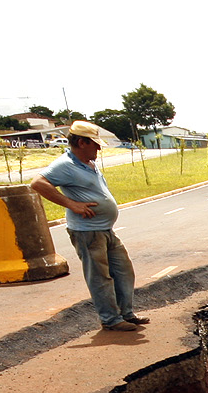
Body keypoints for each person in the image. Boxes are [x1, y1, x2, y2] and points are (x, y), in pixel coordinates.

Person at [30, 120, 147, 333]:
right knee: (100, 276)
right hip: (87, 231)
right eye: (95, 144)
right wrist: (71, 204)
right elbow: (37, 183)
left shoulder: (88, 163)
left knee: (123, 270)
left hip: (105, 229)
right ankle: (111, 319)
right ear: (81, 142)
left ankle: (126, 313)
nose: (99, 148)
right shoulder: (65, 164)